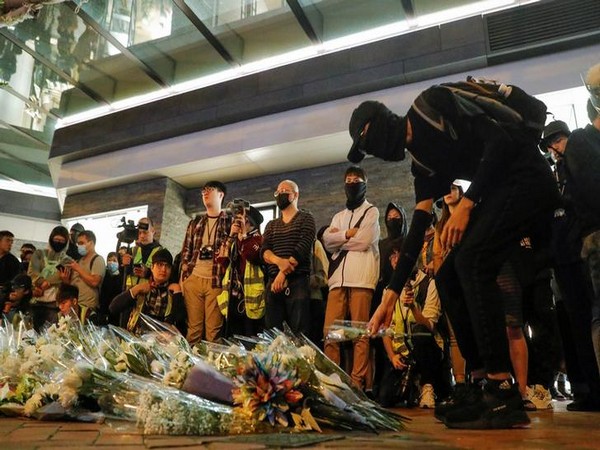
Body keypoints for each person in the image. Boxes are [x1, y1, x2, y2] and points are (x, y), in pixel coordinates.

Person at [349, 87, 559, 429]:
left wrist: (468, 202)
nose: (371, 152)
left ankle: (501, 387)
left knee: (472, 260)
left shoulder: (432, 104)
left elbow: (500, 141)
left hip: (527, 177)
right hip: (499, 188)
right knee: (447, 275)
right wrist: (389, 296)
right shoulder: (421, 164)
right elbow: (417, 229)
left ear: (378, 124)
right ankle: (479, 384)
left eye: (366, 143)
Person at [541, 117, 600, 411]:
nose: (555, 149)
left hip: (580, 256)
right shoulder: (557, 177)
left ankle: (593, 390)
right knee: (576, 326)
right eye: (551, 145)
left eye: (557, 141)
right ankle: (587, 389)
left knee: (589, 321)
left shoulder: (576, 168)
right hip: (563, 261)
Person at [322, 166, 380, 390]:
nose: (352, 182)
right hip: (337, 281)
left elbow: (365, 241)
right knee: (331, 333)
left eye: (357, 179)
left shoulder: (372, 211)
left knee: (359, 335)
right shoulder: (339, 215)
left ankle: (357, 385)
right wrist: (346, 234)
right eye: (349, 179)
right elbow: (327, 241)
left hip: (362, 279)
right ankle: (333, 384)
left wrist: (338, 239)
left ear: (365, 183)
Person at [378, 248, 444, 409]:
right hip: (402, 352)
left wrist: (413, 307)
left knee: (419, 332)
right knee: (385, 398)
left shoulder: (429, 284)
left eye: (398, 255)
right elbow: (385, 329)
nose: (395, 260)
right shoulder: (388, 291)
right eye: (392, 257)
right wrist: (392, 356)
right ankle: (413, 386)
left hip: (427, 348)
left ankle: (428, 386)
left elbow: (429, 325)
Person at [261, 179, 316, 335]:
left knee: (300, 333)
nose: (280, 194)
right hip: (273, 283)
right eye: (278, 192)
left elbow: (302, 248)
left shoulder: (306, 218)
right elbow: (264, 251)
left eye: (285, 191)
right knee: (273, 334)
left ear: (295, 194)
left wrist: (282, 274)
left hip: (297, 281)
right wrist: (279, 263)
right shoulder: (271, 225)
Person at [181, 181, 231, 344]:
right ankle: (189, 368)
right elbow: (186, 251)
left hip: (216, 281)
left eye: (210, 190)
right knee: (193, 330)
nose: (205, 193)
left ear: (221, 194)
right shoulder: (195, 223)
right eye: (203, 191)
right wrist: (184, 279)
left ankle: (212, 368)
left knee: (213, 333)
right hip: (194, 279)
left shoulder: (229, 222)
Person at [110, 248, 184, 334]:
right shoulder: (142, 289)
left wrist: (177, 294)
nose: (163, 269)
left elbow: (180, 322)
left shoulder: (172, 292)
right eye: (159, 265)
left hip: (161, 342)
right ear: (152, 267)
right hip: (136, 338)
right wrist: (136, 289)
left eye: (167, 266)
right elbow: (113, 308)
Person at [218, 204, 265, 337]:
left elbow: (251, 255)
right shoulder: (234, 241)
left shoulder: (259, 239)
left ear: (253, 224)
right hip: (233, 294)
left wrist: (244, 235)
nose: (240, 224)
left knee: (250, 334)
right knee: (232, 335)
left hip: (252, 296)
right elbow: (222, 260)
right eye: (238, 220)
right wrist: (231, 236)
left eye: (245, 221)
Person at [28, 226, 71, 330]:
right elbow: (32, 272)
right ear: (51, 239)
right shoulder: (39, 254)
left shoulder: (67, 260)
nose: (58, 242)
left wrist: (48, 283)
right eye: (56, 240)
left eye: (62, 241)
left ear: (66, 242)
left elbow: (61, 276)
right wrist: (41, 283)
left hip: (54, 305)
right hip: (36, 301)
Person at [59, 230, 105, 312]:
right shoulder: (78, 261)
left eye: (81, 243)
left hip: (88, 307)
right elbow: (73, 286)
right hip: (74, 306)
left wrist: (78, 269)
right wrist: (65, 279)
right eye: (78, 243)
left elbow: (95, 282)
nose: (79, 246)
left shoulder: (98, 260)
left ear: (91, 243)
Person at [122, 218, 162, 289]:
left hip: (150, 296)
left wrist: (147, 273)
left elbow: (163, 277)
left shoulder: (161, 252)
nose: (142, 236)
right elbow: (124, 275)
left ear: (153, 231)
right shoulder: (132, 250)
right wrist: (122, 265)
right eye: (139, 233)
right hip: (131, 295)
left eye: (145, 232)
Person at [99, 252, 123, 325]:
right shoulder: (104, 275)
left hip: (117, 311)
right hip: (104, 309)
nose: (111, 263)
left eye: (114, 260)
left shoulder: (122, 277)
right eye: (109, 260)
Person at [0, 231, 20, 301]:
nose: (10, 244)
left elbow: (16, 280)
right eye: (7, 240)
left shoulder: (13, 261)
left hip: (4, 296)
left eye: (12, 242)